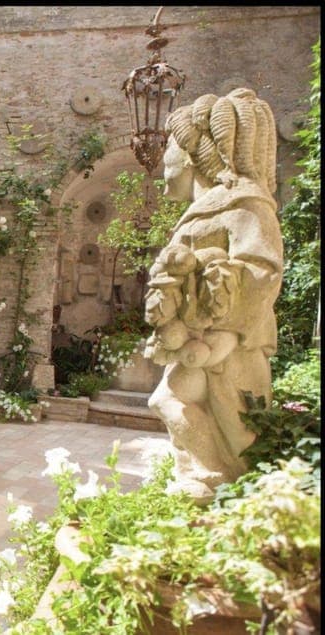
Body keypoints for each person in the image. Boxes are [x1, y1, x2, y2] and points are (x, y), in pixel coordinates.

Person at [144, 88, 283, 502]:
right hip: (194, 338)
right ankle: (207, 477)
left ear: (187, 157)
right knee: (169, 401)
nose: (162, 163)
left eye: (168, 150)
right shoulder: (204, 210)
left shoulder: (244, 203)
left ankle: (225, 484)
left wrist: (207, 279)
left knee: (231, 420)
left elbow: (263, 270)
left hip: (229, 342)